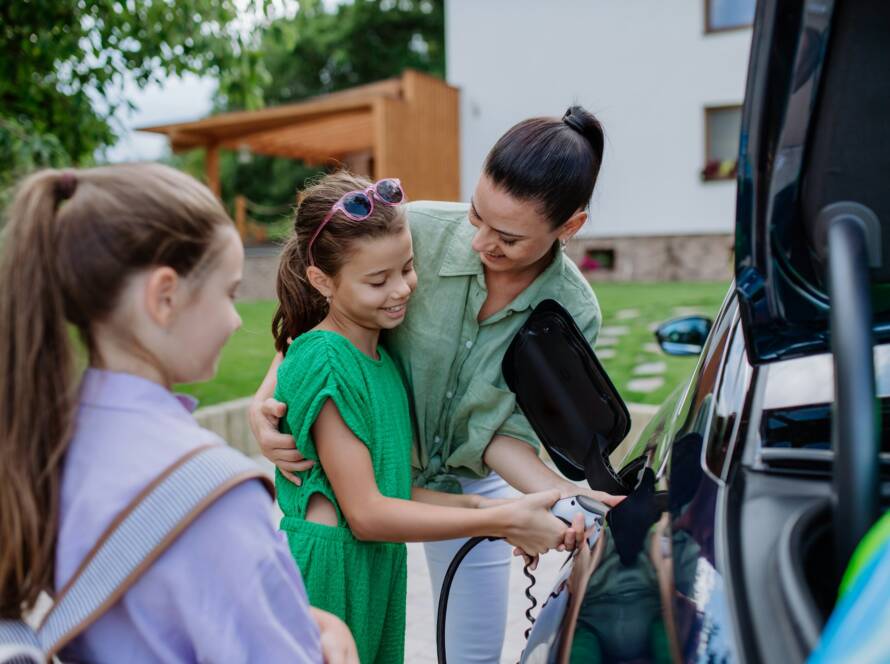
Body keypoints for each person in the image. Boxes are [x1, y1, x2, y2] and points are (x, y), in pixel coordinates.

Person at [252, 105, 616, 662]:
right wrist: (267, 396)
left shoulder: (571, 312)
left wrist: (565, 500)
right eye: (476, 215)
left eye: (508, 236)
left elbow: (501, 434)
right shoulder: (409, 230)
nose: (481, 243)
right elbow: (316, 313)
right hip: (373, 481)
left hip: (464, 481)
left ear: (570, 227)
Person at [0, 164, 357, 663]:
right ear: (165, 296)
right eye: (229, 293)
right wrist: (330, 633)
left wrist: (306, 618)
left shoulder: (47, 443)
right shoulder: (212, 495)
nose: (236, 321)